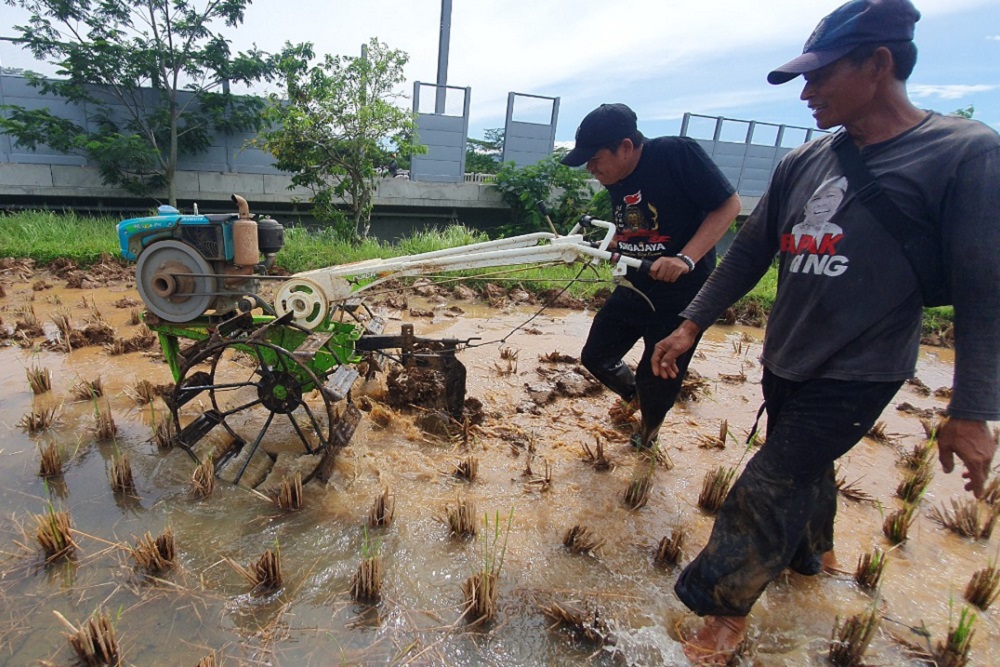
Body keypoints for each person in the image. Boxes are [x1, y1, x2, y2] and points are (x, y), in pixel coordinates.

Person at [650, 0, 1000, 662]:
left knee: (765, 481)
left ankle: (723, 614)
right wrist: (690, 323)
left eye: (820, 77)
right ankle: (817, 559)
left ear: (879, 63)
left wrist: (973, 409)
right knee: (802, 464)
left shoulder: (962, 155)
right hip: (787, 355)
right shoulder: (803, 162)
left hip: (861, 368)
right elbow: (751, 255)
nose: (806, 93)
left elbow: (985, 290)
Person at [560, 103, 741, 449]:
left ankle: (648, 438)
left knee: (657, 374)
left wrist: (685, 258)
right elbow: (634, 226)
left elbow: (728, 205)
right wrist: (602, 244)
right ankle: (635, 397)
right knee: (596, 355)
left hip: (682, 293)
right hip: (635, 283)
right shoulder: (615, 176)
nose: (591, 168)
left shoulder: (676, 154)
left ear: (625, 147)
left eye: (595, 158)